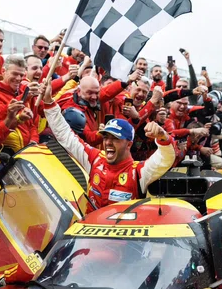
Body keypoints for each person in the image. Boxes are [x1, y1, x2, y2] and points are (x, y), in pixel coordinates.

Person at [42, 83, 175, 211]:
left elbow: (166, 158)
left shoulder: (138, 172)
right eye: (106, 137)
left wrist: (163, 137)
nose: (108, 143)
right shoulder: (95, 159)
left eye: (115, 138)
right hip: (90, 225)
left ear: (129, 144)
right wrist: (48, 102)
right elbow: (65, 135)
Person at [0, 56, 38, 154]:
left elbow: (31, 124)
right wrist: (23, 98)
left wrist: (34, 140)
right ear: (3, 71)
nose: (18, 78)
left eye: (21, 75)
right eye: (14, 74)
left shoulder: (23, 91)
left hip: (27, 152)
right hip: (4, 151)